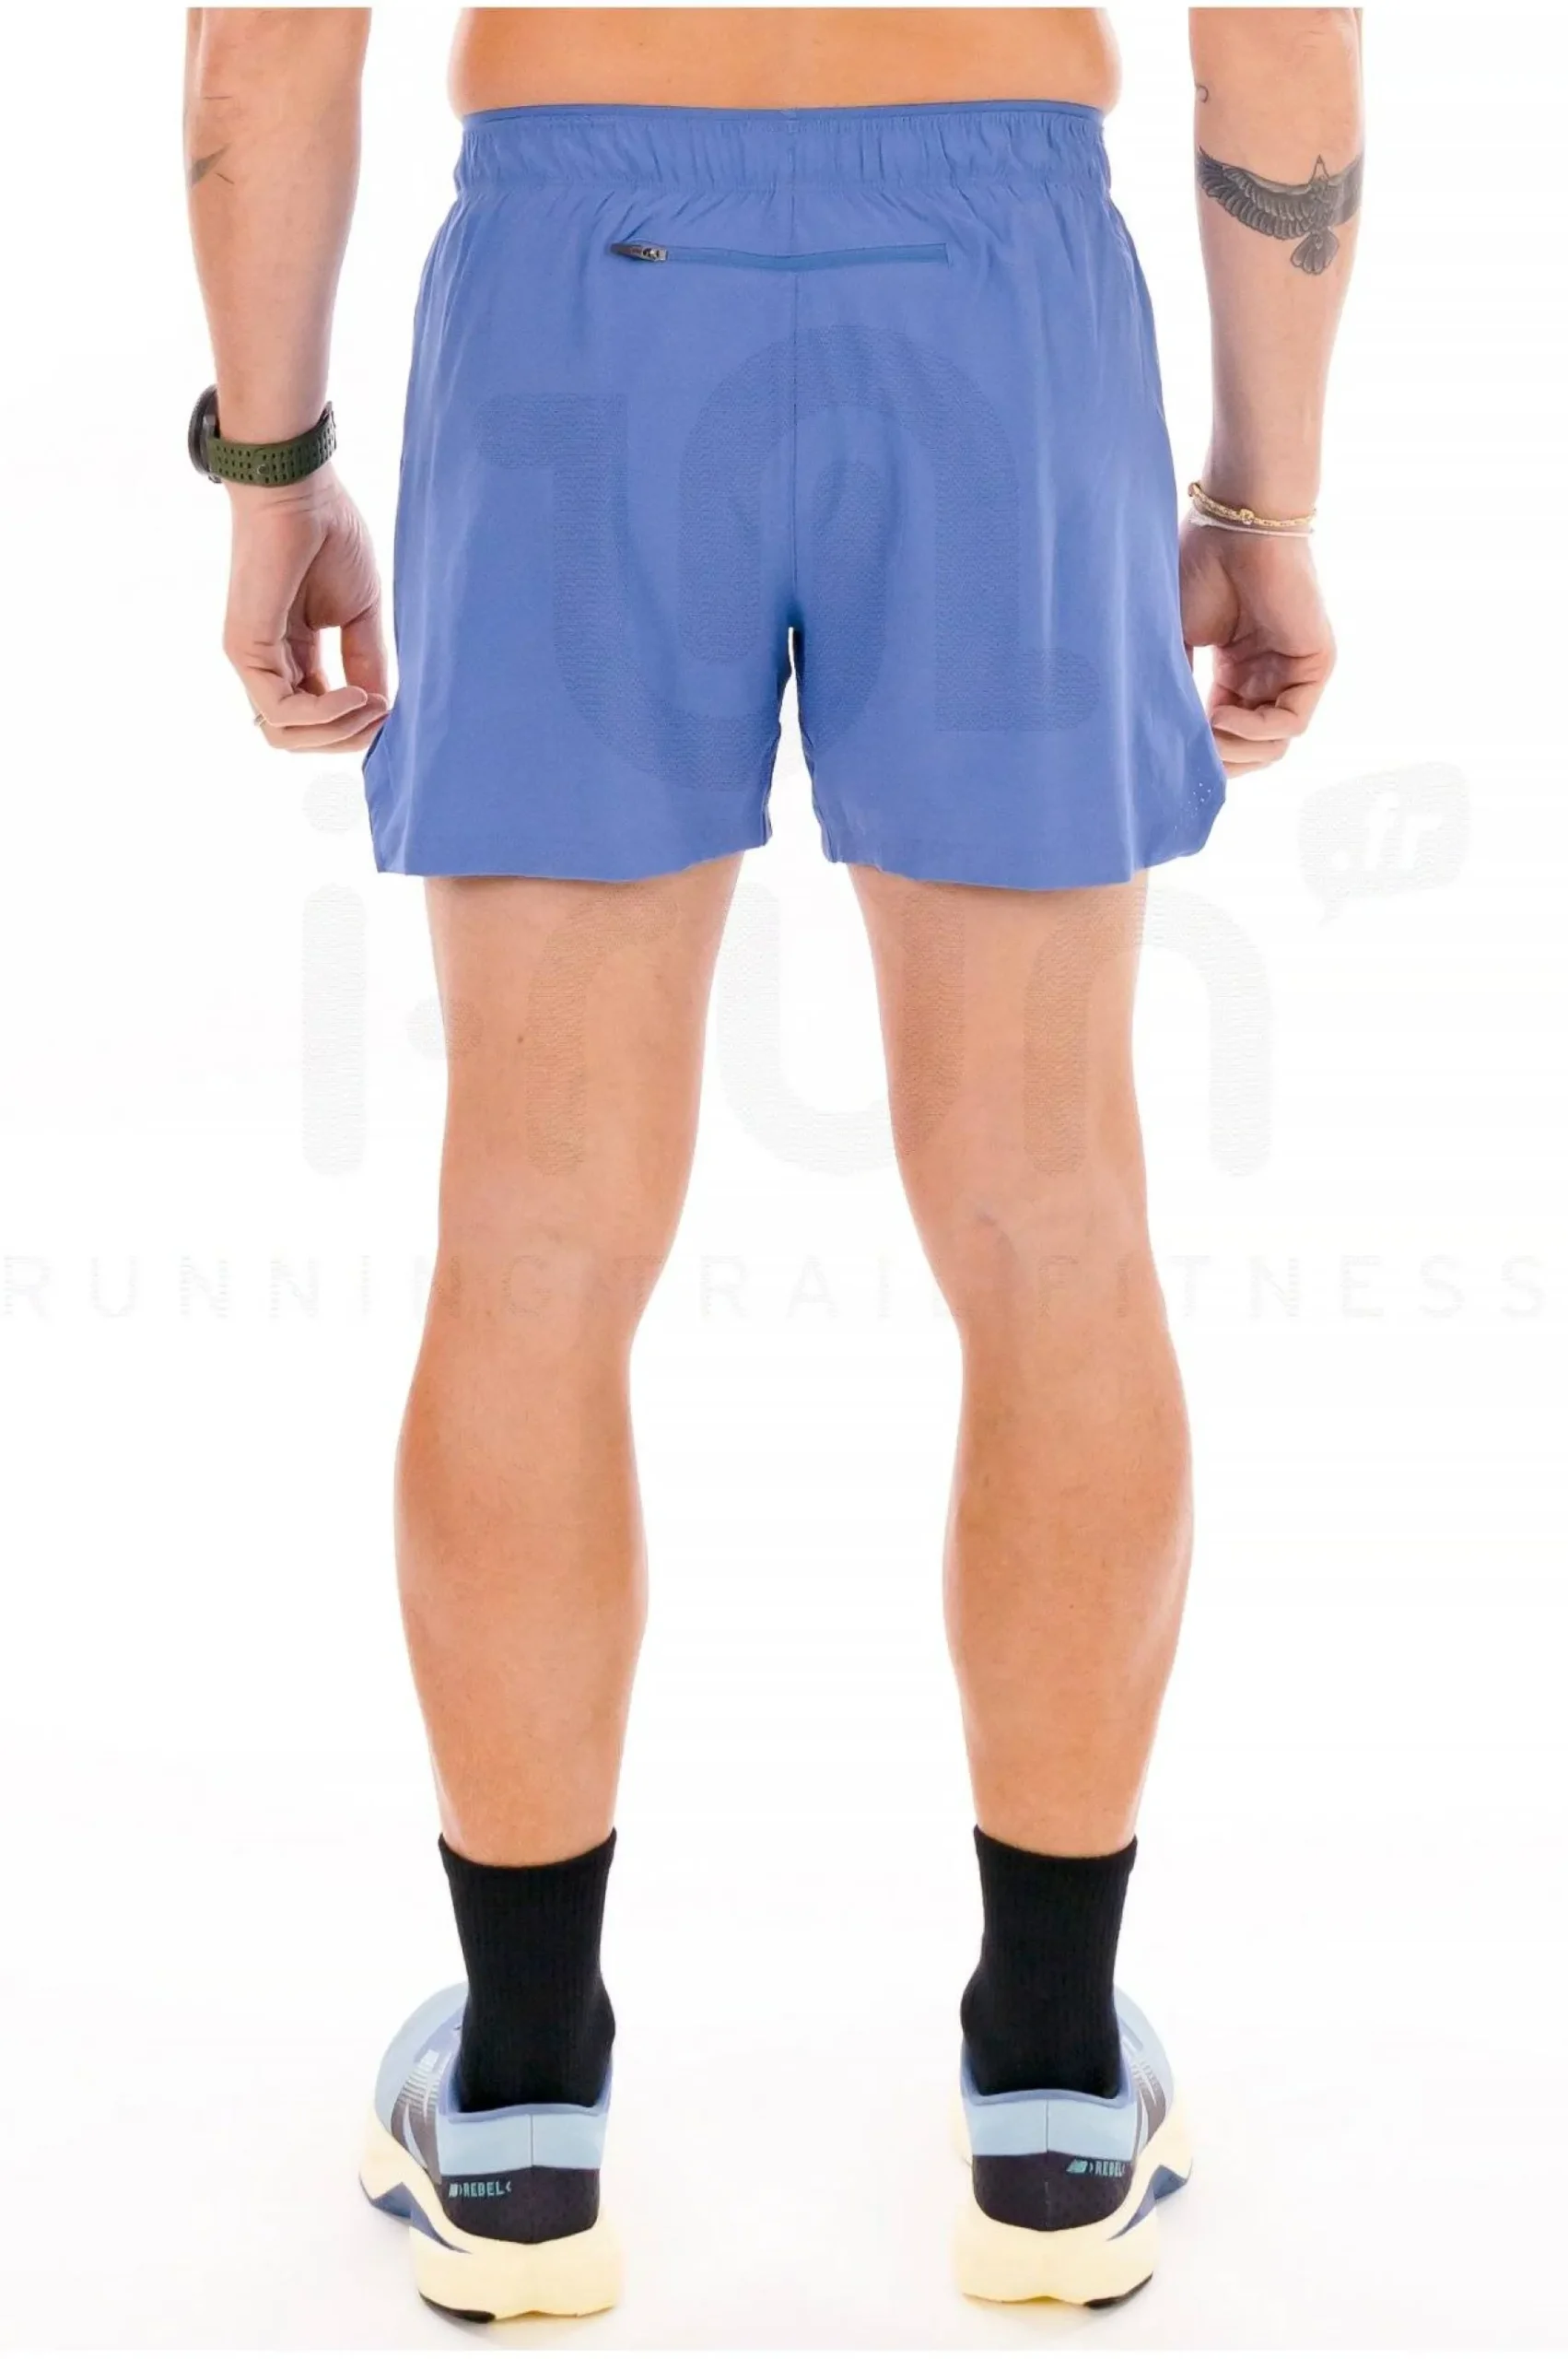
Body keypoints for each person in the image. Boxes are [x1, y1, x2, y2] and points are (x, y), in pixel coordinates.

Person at [185, 6, 1362, 2321]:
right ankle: (1050, 2096)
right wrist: (1256, 505)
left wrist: (271, 468)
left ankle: (520, 2105)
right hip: (995, 289)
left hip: (577, 289)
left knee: (533, 1227)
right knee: (1049, 1211)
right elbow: (1283, 42)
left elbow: (264, 51)